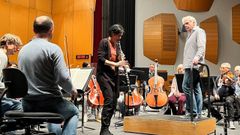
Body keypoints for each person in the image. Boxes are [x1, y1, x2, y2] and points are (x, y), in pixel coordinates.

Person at [18, 16, 79, 135]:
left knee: (57, 113)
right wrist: (72, 90)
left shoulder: (23, 50)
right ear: (51, 30)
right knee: (73, 112)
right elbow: (62, 78)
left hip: (27, 104)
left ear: (34, 29)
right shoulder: (53, 49)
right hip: (50, 103)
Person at [97, 24, 128, 135]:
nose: (120, 38)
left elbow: (118, 58)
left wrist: (122, 61)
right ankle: (103, 129)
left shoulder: (117, 45)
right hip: (104, 75)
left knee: (114, 102)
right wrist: (116, 63)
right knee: (109, 100)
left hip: (114, 76)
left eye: (121, 36)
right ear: (113, 34)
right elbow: (101, 59)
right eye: (118, 36)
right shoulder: (104, 42)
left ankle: (106, 128)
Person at [182, 16, 206, 119]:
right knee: (196, 88)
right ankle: (198, 113)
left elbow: (201, 46)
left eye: (187, 23)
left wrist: (197, 57)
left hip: (194, 65)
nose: (185, 25)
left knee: (186, 86)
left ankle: (192, 111)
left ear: (193, 22)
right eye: (184, 24)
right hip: (189, 65)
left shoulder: (199, 31)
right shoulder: (190, 34)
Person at [0, 33, 22, 117]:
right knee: (20, 107)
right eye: (16, 45)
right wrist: (9, 90)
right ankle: (5, 129)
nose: (17, 49)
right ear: (8, 43)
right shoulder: (2, 56)